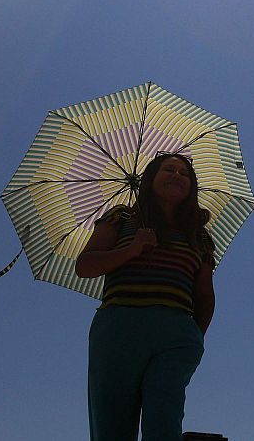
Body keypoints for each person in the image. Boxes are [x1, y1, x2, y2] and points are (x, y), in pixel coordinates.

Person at [75, 153, 216, 441]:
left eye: (184, 173)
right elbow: (85, 265)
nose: (177, 175)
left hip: (177, 334)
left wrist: (193, 336)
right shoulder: (121, 217)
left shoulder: (199, 236)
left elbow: (204, 294)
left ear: (191, 187)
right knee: (112, 425)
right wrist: (131, 249)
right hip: (119, 329)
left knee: (164, 423)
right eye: (169, 169)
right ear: (151, 179)